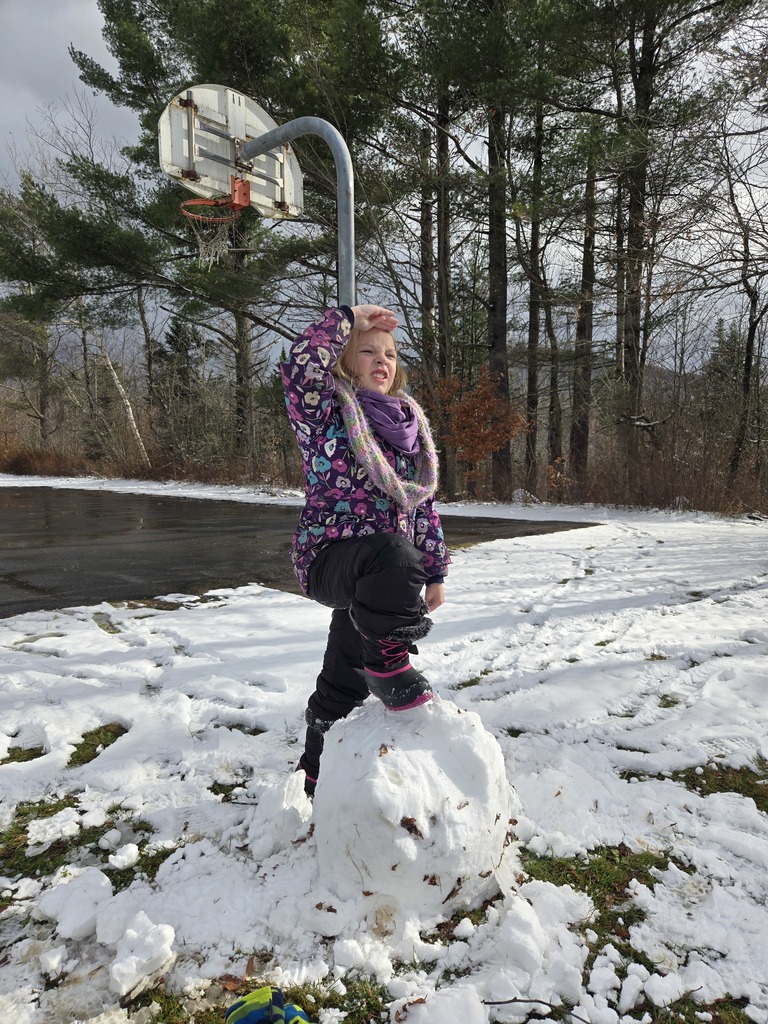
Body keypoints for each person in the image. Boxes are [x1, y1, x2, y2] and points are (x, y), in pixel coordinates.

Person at [280, 303, 451, 796]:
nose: (382, 360)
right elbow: (300, 366)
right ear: (343, 361)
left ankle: (312, 777)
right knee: (395, 555)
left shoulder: (409, 428)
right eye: (368, 350)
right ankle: (390, 664)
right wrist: (347, 320)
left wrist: (435, 570)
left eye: (391, 354)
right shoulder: (324, 412)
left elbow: (423, 508)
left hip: (381, 575)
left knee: (343, 676)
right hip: (329, 558)